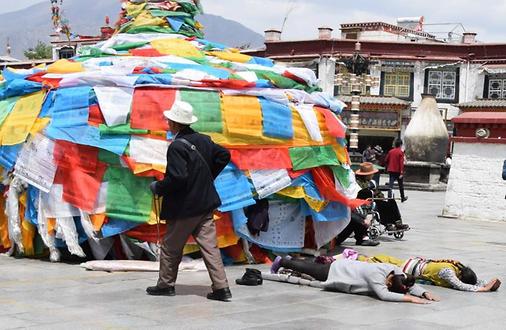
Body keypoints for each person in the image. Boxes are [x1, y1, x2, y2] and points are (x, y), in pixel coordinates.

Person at [146, 101, 232, 302]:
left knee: (170, 247)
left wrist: (158, 187)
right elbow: (224, 155)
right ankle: (222, 288)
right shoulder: (204, 140)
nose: (168, 123)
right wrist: (207, 176)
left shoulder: (177, 146)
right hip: (205, 204)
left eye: (169, 120)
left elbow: (178, 178)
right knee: (210, 247)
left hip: (185, 207)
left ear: (175, 124)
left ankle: (165, 285)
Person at [270, 256, 438, 304]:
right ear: (389, 279)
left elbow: (407, 285)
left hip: (348, 267)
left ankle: (290, 260)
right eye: (388, 284)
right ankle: (282, 261)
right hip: (338, 271)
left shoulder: (397, 273)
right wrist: (410, 299)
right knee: (310, 269)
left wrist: (423, 292)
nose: (386, 285)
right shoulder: (376, 276)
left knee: (309, 267)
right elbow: (384, 295)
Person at [361, 254, 502, 292]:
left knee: (387, 260)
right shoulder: (448, 272)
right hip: (408, 268)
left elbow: (471, 281)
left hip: (416, 263)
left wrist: (486, 283)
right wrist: (483, 289)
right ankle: (360, 258)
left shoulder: (459, 267)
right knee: (381, 262)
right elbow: (461, 285)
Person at [335, 162, 380, 247]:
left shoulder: (368, 183)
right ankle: (362, 237)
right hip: (337, 228)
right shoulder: (358, 182)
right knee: (354, 214)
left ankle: (362, 237)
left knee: (355, 214)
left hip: (354, 207)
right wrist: (363, 220)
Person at [354, 162, 409, 231]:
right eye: (371, 173)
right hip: (365, 201)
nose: (373, 175)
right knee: (380, 205)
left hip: (375, 199)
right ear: (367, 174)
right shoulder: (358, 183)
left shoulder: (371, 182)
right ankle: (388, 224)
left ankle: (398, 222)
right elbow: (362, 193)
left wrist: (381, 196)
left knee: (391, 201)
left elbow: (378, 192)